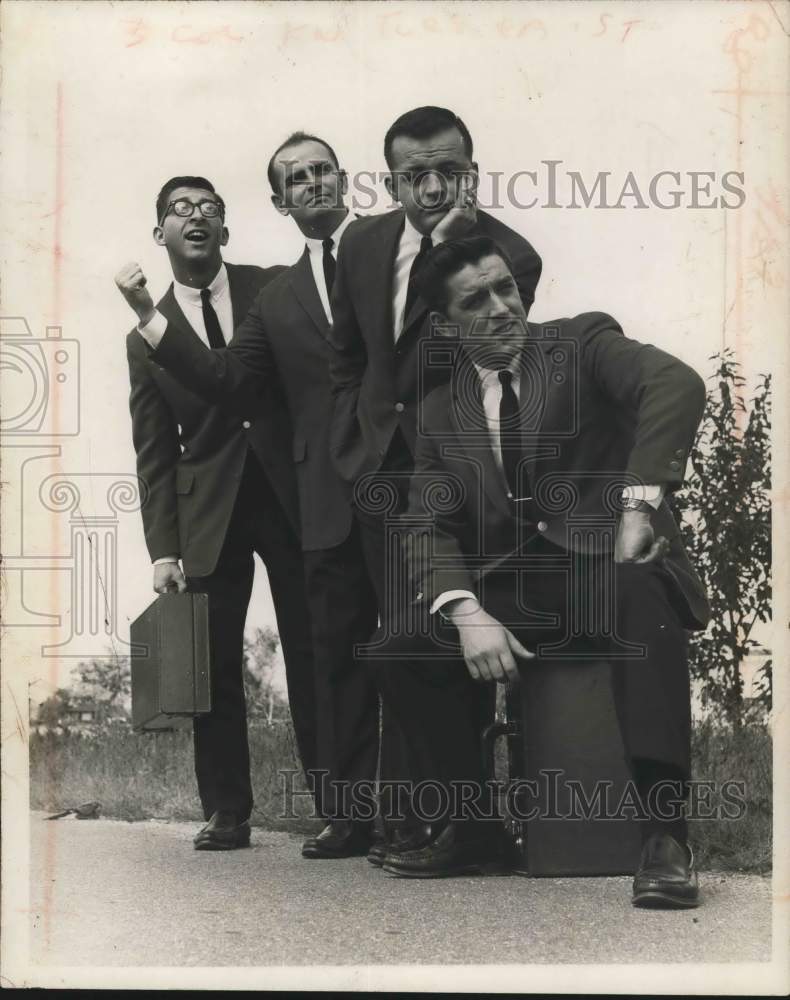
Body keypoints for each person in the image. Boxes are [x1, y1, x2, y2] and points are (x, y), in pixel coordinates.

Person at [368, 235, 708, 909]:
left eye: (505, 289)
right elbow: (425, 522)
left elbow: (674, 382)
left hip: (609, 564)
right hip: (520, 588)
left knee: (640, 594)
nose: (500, 309)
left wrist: (640, 503)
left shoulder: (581, 345)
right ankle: (474, 830)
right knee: (398, 646)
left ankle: (665, 838)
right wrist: (467, 612)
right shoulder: (440, 411)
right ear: (444, 324)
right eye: (476, 300)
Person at [116, 142, 381, 860]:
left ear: (227, 231)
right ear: (161, 234)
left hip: (294, 494)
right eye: (179, 209)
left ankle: (343, 810)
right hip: (206, 511)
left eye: (209, 208)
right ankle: (228, 811)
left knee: (316, 649)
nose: (195, 217)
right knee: (211, 666)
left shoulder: (275, 289)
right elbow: (153, 450)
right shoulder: (146, 336)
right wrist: (162, 549)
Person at [326, 107, 543, 854]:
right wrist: (350, 437)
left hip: (450, 474)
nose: (429, 186)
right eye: (412, 175)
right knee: (392, 636)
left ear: (471, 171)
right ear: (390, 180)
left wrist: (451, 243)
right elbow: (347, 353)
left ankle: (456, 820)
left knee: (449, 628)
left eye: (445, 171)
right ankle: (401, 815)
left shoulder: (510, 255)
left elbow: (486, 352)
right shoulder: (359, 243)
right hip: (372, 463)